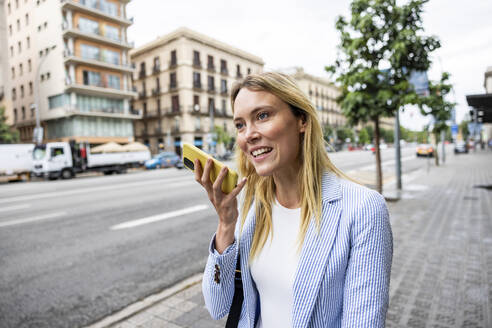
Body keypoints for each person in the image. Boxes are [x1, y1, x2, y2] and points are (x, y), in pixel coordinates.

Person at [194, 72, 393, 327]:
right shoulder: (253, 209)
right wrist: (225, 224)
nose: (249, 135)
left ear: (302, 120)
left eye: (262, 116)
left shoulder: (363, 209)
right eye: (240, 125)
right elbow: (217, 306)